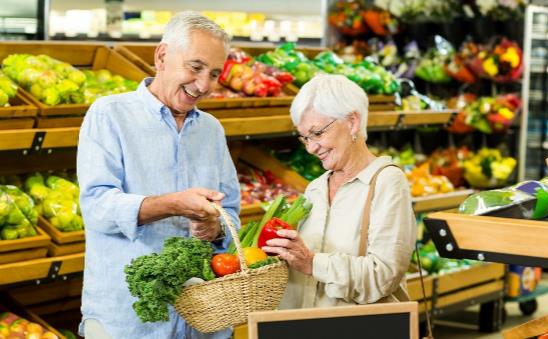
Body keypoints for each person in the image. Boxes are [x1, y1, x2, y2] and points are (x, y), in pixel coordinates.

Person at [76, 12, 240, 339]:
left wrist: (215, 225)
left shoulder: (211, 130)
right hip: (129, 319)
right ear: (162, 56)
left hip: (200, 318)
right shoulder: (109, 115)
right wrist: (174, 204)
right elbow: (97, 208)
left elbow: (232, 212)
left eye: (214, 74)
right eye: (195, 67)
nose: (204, 85)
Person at [262, 74, 416, 308]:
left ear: (352, 121)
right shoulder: (315, 189)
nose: (311, 148)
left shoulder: (387, 182)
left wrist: (313, 263)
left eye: (318, 133)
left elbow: (384, 275)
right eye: (304, 138)